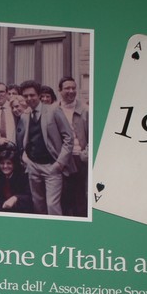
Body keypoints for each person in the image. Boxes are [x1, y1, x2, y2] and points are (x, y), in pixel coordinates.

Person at [19, 80, 73, 216]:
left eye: (32, 95)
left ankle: (56, 229)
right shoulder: (25, 115)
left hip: (52, 166)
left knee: (52, 205)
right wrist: (26, 158)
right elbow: (25, 140)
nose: (29, 98)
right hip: (33, 166)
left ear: (39, 95)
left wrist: (60, 163)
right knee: (38, 203)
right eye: (25, 96)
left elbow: (69, 137)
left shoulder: (53, 110)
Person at [57, 76, 89, 217]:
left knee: (80, 195)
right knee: (63, 196)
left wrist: (86, 153)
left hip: (79, 157)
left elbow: (93, 135)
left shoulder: (85, 110)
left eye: (73, 88)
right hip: (61, 159)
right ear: (60, 90)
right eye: (67, 88)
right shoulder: (54, 110)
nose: (71, 91)